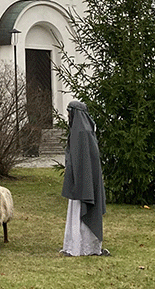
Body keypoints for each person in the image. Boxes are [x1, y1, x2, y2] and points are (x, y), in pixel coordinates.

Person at [60, 100, 109, 256]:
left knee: (82, 210)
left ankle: (84, 246)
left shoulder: (82, 133)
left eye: (70, 113)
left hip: (84, 181)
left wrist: (81, 180)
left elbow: (85, 162)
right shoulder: (80, 131)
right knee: (76, 210)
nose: (68, 116)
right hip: (79, 181)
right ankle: (76, 245)